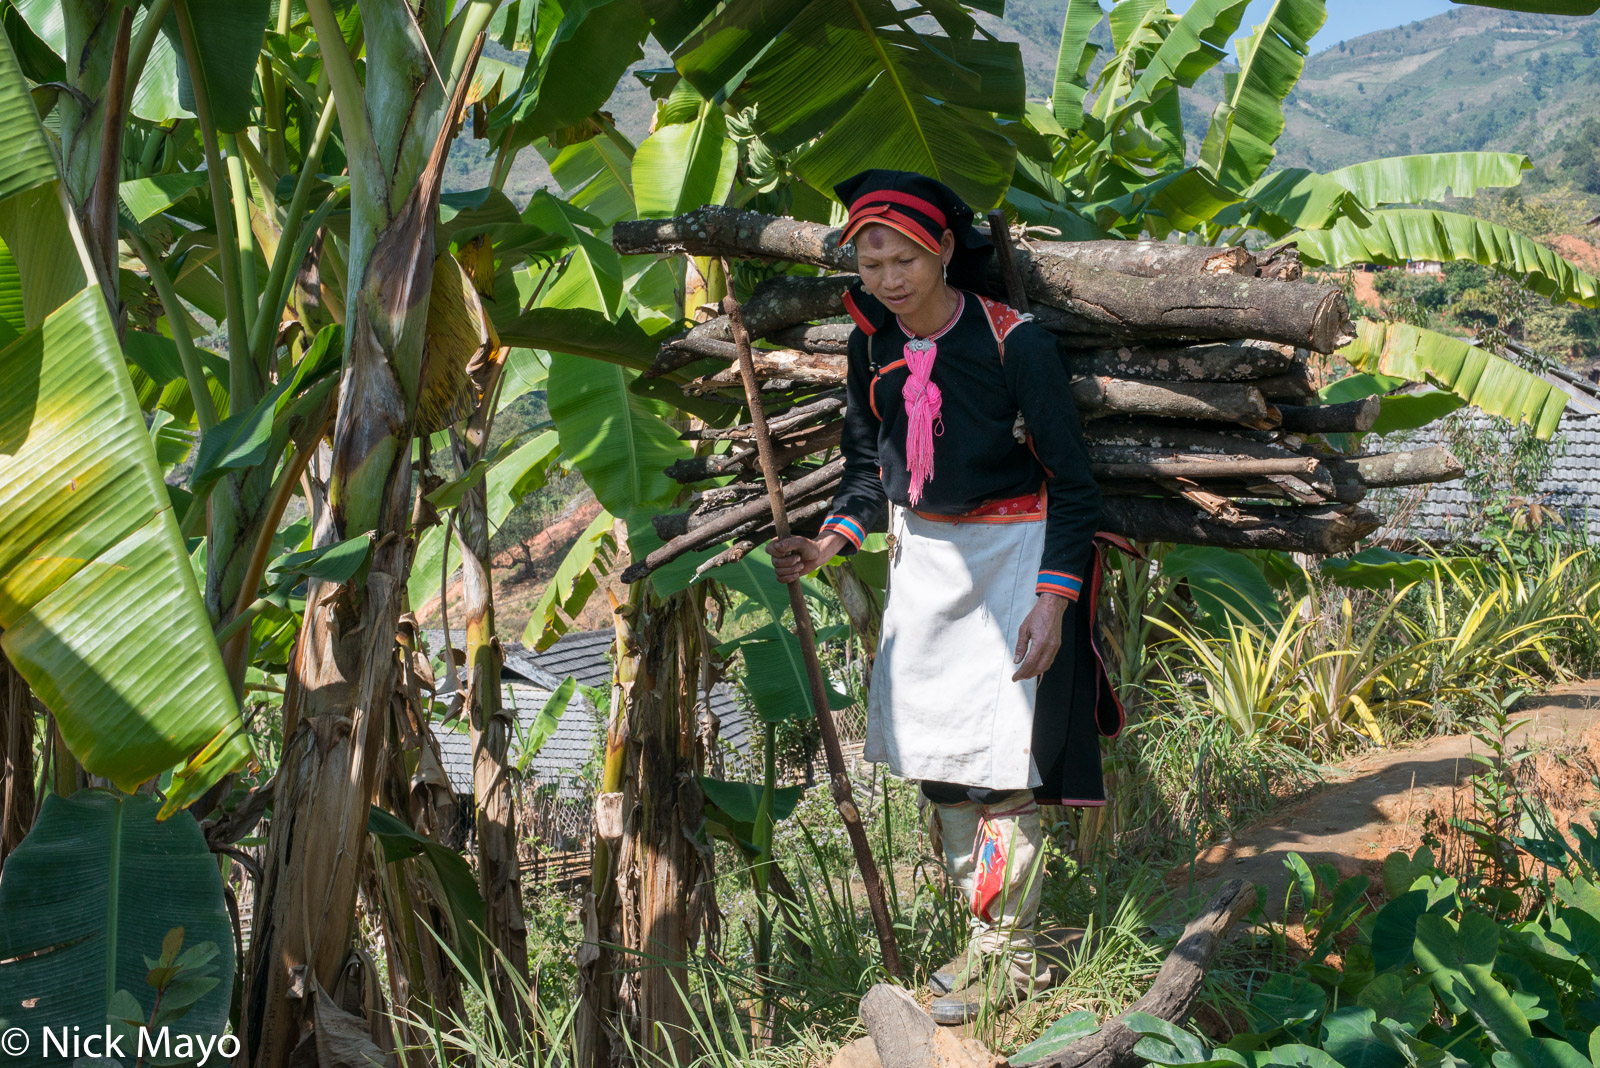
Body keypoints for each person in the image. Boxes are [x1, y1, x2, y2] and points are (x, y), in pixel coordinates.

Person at [770, 170, 1124, 1025]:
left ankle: (1003, 956)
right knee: (940, 767)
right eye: (870, 261)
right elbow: (866, 471)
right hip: (923, 560)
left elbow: (1072, 486)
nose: (888, 279)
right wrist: (826, 543)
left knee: (1002, 770)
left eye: (903, 258)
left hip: (1013, 557)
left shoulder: (1015, 345)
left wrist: (1052, 601)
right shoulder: (871, 348)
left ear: (939, 254)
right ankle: (993, 942)